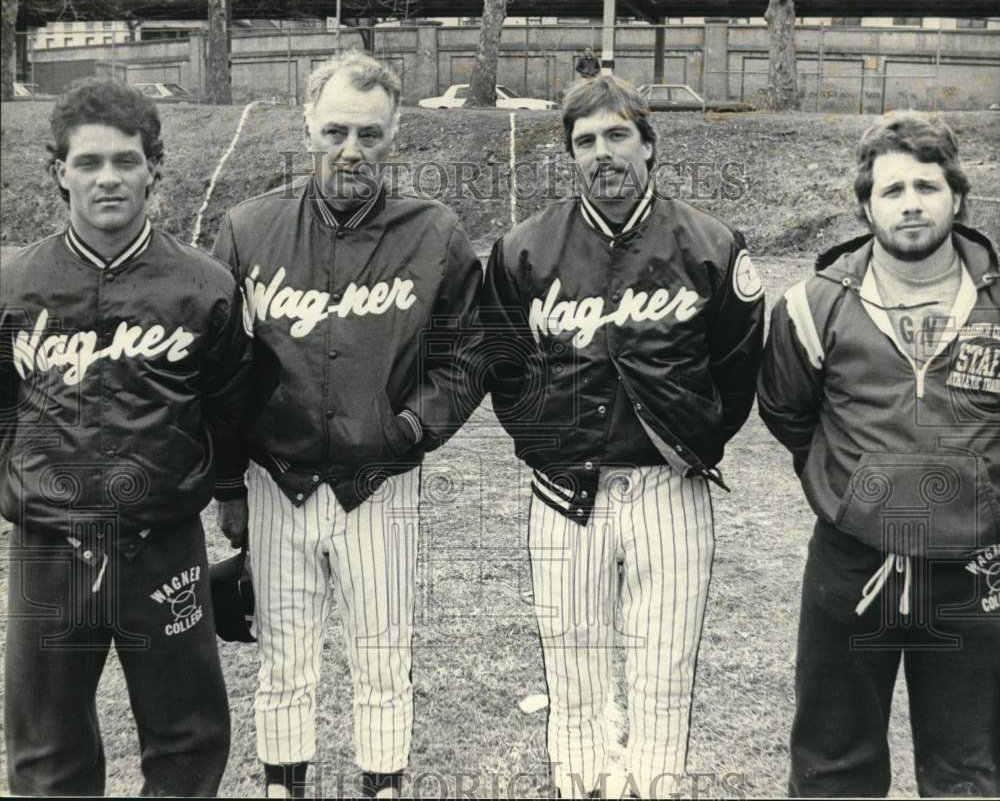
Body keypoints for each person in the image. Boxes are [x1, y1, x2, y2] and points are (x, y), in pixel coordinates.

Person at [478, 74, 765, 798]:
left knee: (663, 674)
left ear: (649, 144)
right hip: (564, 491)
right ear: (570, 156)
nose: (602, 154)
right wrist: (545, 442)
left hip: (671, 488)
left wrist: (693, 439)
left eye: (616, 136)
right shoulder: (524, 248)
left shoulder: (709, 243)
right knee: (574, 675)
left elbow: (736, 369)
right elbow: (502, 367)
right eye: (585, 142)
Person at [211, 50, 483, 799]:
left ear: (397, 133)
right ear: (307, 127)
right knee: (284, 657)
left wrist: (408, 431)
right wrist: (228, 482)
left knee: (382, 653)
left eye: (369, 134)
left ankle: (383, 786)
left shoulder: (435, 233)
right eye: (335, 131)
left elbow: (466, 357)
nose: (351, 151)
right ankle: (281, 786)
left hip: (380, 484)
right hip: (278, 481)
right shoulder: (248, 228)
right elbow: (221, 370)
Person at [0, 78, 252, 796]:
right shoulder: (16, 284)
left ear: (154, 169)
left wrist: (222, 490)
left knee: (187, 739)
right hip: (51, 547)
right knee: (47, 750)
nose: (108, 177)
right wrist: (21, 483)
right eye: (88, 162)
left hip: (161, 540)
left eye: (125, 160)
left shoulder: (203, 286)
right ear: (58, 173)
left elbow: (229, 407)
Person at [758, 113, 1000, 797]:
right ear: (865, 205)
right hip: (854, 560)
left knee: (969, 770)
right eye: (892, 190)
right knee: (835, 763)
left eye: (927, 184)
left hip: (973, 571)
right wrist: (855, 486)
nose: (912, 203)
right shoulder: (814, 304)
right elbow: (787, 410)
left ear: (958, 195)